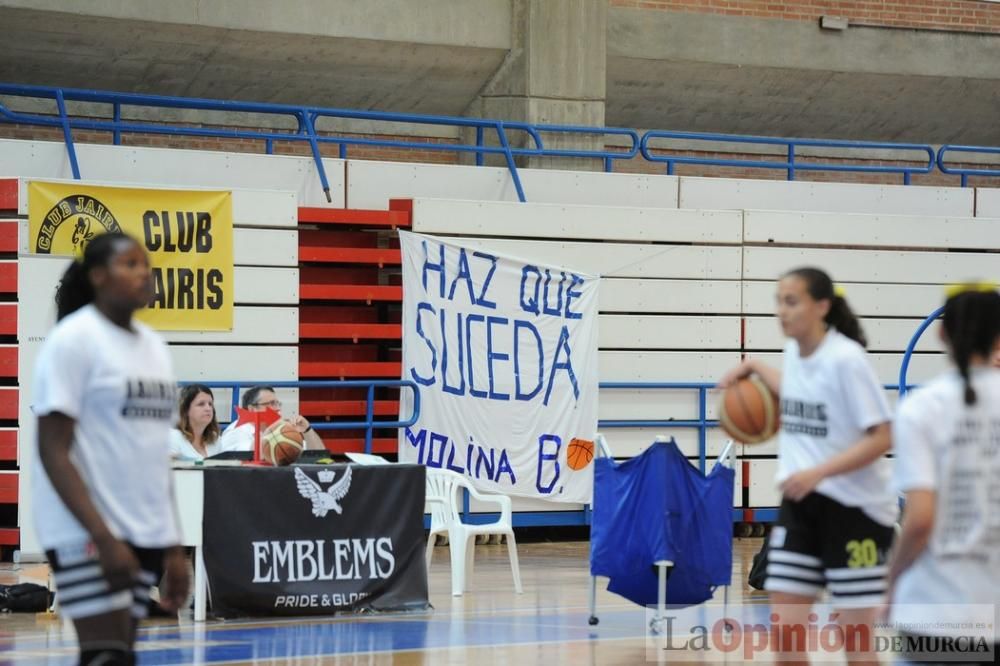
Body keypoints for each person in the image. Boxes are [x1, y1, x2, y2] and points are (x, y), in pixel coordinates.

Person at [719, 267, 893, 664]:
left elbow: (883, 436)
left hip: (854, 513)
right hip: (800, 509)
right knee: (785, 641)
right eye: (778, 301)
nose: (782, 311)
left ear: (822, 306)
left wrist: (820, 472)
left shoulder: (847, 360)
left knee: (858, 648)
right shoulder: (796, 353)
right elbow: (798, 389)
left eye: (792, 301)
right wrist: (754, 368)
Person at [32, 232, 189, 665]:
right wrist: (102, 536)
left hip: (141, 528)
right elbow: (52, 450)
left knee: (119, 654)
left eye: (147, 263)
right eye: (131, 264)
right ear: (98, 276)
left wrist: (174, 548)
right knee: (107, 654)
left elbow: (155, 456)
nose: (146, 272)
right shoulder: (74, 341)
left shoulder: (154, 348)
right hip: (83, 528)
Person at [886, 284, 1000, 664]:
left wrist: (890, 581)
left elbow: (919, 520)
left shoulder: (922, 407)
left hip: (936, 611)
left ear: (942, 333)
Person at [217, 385, 324, 453]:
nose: (277, 408)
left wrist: (307, 430)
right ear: (252, 408)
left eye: (278, 403)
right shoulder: (236, 431)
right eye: (272, 404)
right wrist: (274, 428)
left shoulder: (281, 429)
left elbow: (319, 456)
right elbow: (251, 455)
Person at [169, 384, 222, 461]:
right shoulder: (172, 437)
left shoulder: (216, 439)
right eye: (201, 404)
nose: (208, 408)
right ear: (185, 410)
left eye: (210, 404)